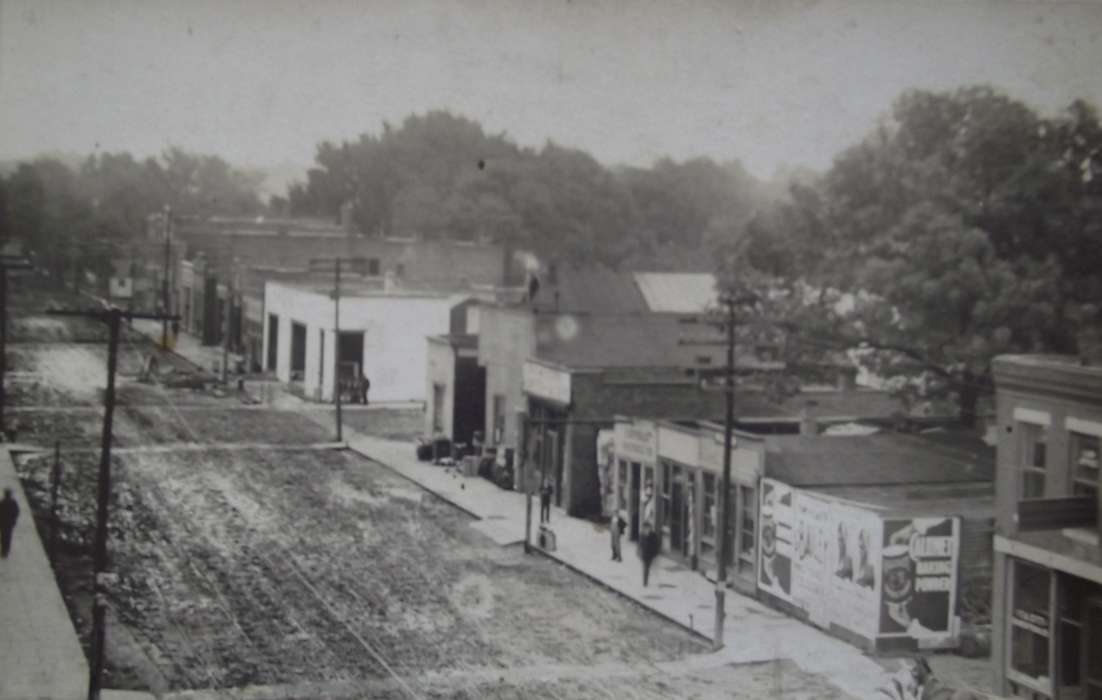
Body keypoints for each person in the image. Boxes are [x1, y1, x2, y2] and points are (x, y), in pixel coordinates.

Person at [639, 521, 660, 586]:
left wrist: (655, 554)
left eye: (648, 528)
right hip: (644, 554)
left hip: (651, 554)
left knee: (648, 568)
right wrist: (639, 553)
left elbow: (657, 544)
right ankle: (645, 582)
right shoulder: (642, 535)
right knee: (646, 568)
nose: (646, 529)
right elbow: (640, 544)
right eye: (645, 528)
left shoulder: (653, 535)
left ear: (650, 528)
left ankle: (647, 580)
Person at [0, 488, 19, 559]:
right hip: (9, 523)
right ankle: (5, 551)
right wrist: (14, 520)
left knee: (3, 536)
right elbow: (16, 512)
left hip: (3, 523)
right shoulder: (13, 503)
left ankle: (3, 551)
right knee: (7, 537)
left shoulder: (2, 502)